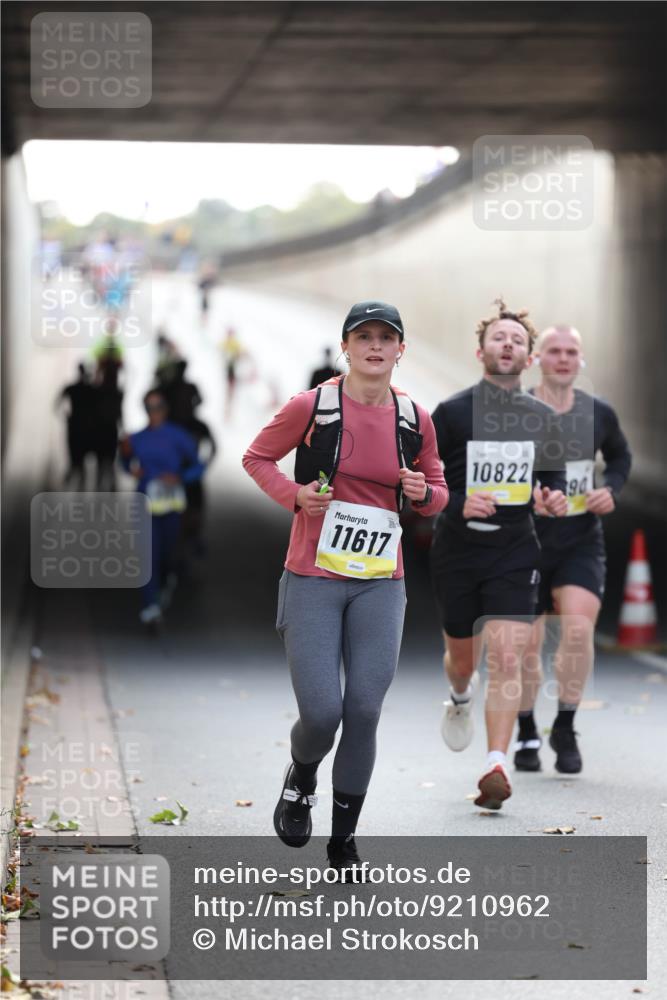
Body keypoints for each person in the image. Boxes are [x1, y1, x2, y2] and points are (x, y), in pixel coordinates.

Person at [242, 300, 448, 880]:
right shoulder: (312, 406)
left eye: (387, 337)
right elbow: (257, 457)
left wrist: (420, 493)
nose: (375, 346)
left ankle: (344, 840)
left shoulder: (415, 418)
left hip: (381, 582)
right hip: (312, 576)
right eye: (364, 337)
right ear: (346, 346)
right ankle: (302, 773)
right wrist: (296, 496)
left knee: (363, 709)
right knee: (322, 713)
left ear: (400, 349)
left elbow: (438, 491)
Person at [430, 299, 568, 811]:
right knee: (463, 661)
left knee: (508, 656)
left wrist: (550, 497)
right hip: (458, 550)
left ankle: (495, 763)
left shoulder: (542, 419)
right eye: (498, 338)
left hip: (514, 548)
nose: (507, 344)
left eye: (517, 340)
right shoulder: (451, 412)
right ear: (480, 350)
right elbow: (423, 484)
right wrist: (461, 501)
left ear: (528, 358)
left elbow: (553, 482)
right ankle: (461, 696)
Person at [514, 325, 632, 773]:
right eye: (554, 351)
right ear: (537, 359)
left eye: (572, 352)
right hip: (525, 540)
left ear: (580, 361)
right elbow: (489, 470)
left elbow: (620, 458)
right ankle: (526, 729)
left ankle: (564, 725)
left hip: (580, 538)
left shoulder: (598, 413)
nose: (563, 358)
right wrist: (528, 495)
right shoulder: (515, 411)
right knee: (529, 645)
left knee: (579, 632)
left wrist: (612, 490)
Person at [119, 389, 205, 626]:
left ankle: (168, 580)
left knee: (167, 554)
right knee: (149, 554)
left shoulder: (178, 437)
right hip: (146, 503)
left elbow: (198, 466)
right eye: (148, 408)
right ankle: (150, 605)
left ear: (165, 409)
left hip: (171, 505)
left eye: (157, 407)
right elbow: (125, 463)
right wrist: (128, 463)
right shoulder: (136, 438)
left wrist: (181, 477)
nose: (153, 412)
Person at [55, 363, 96, 489]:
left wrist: (65, 415)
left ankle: (74, 483)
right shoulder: (91, 390)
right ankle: (77, 484)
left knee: (76, 458)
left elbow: (57, 405)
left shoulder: (73, 388)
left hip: (76, 427)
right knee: (78, 458)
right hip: (83, 428)